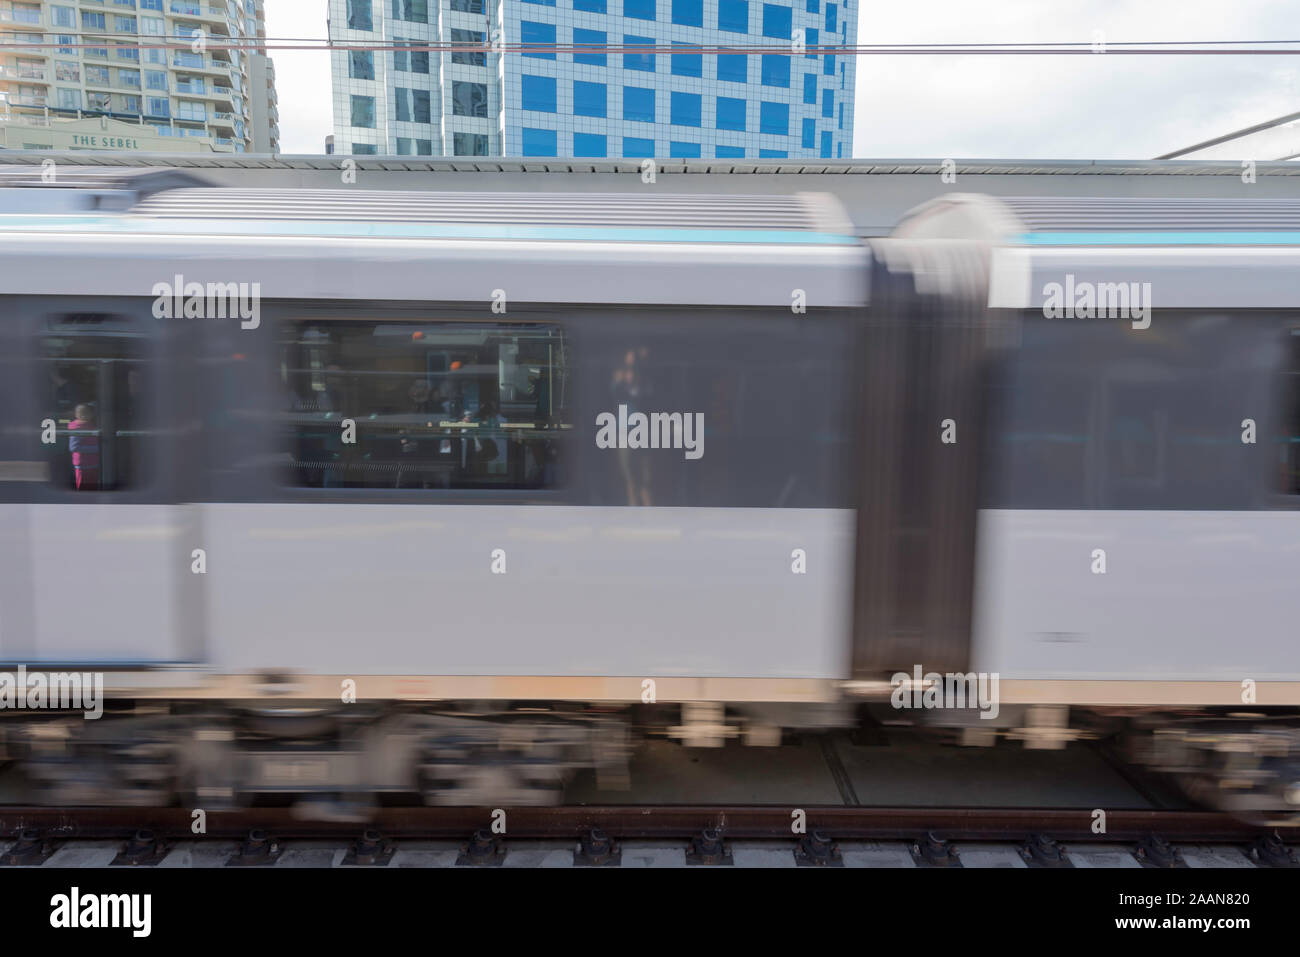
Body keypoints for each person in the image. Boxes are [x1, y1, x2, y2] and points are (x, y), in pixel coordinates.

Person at [68, 404, 100, 490]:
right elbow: (73, 447)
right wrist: (96, 448)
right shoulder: (77, 428)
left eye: (87, 413)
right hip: (82, 465)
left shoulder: (90, 425)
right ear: (76, 415)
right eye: (82, 413)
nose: (84, 415)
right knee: (83, 489)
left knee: (92, 488)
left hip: (93, 464)